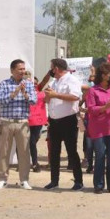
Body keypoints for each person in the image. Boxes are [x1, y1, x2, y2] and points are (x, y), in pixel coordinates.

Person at [0, 59, 37, 190]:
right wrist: (14, 94)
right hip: (7, 122)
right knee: (4, 152)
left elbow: (34, 101)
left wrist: (25, 94)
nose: (23, 71)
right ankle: (2, 179)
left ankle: (24, 180)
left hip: (22, 123)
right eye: (20, 69)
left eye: (24, 69)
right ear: (12, 70)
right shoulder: (4, 84)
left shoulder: (28, 85)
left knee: (24, 152)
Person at [43, 58, 84, 191]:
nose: (51, 70)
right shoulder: (54, 81)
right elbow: (48, 100)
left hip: (68, 120)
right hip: (54, 120)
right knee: (54, 152)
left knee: (71, 151)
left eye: (52, 67)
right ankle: (54, 181)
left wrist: (56, 95)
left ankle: (78, 181)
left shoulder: (72, 80)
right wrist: (48, 96)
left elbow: (75, 97)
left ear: (57, 68)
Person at [86, 63, 110, 194]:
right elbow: (91, 109)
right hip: (98, 128)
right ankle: (99, 185)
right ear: (103, 75)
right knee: (100, 155)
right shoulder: (93, 90)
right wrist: (106, 107)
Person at [28, 71, 48, 173]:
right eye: (32, 83)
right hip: (27, 120)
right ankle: (35, 163)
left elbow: (45, 80)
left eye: (36, 83)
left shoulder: (41, 91)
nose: (34, 84)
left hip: (39, 121)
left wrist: (50, 71)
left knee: (34, 141)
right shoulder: (26, 92)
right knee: (31, 142)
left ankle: (27, 162)